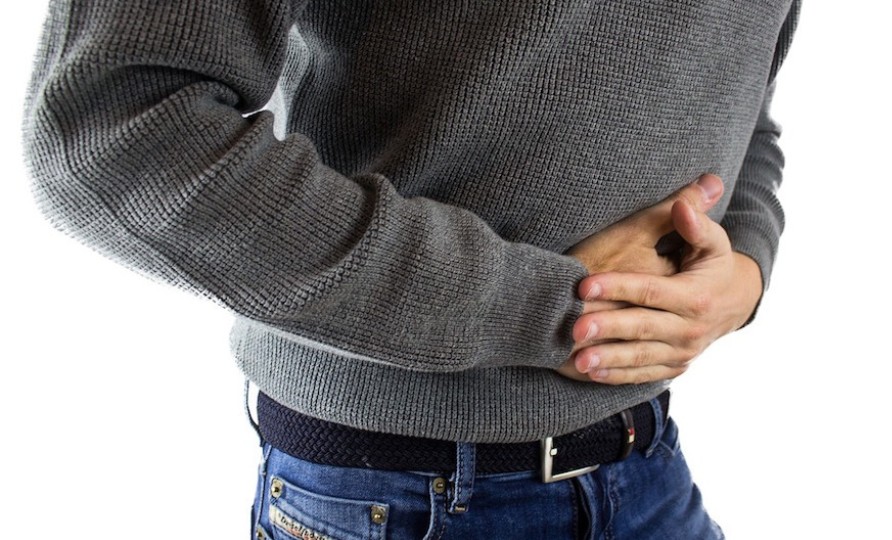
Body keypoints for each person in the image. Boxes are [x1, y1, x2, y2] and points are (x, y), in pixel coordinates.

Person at [23, 0, 800, 538]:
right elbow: (117, 131)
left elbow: (738, 94)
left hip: (644, 463)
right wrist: (556, 310)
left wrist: (743, 269)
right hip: (399, 493)